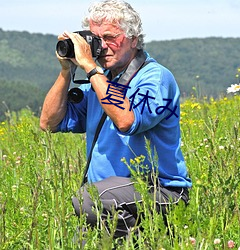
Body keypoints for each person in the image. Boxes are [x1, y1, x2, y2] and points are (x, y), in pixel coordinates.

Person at [40, 0, 192, 244]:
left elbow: (126, 121)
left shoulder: (154, 78)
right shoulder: (99, 83)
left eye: (110, 37)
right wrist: (66, 70)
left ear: (133, 39)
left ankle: (146, 241)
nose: (102, 47)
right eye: (96, 39)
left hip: (160, 192)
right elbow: (49, 123)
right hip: (110, 199)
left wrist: (90, 68)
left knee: (88, 199)